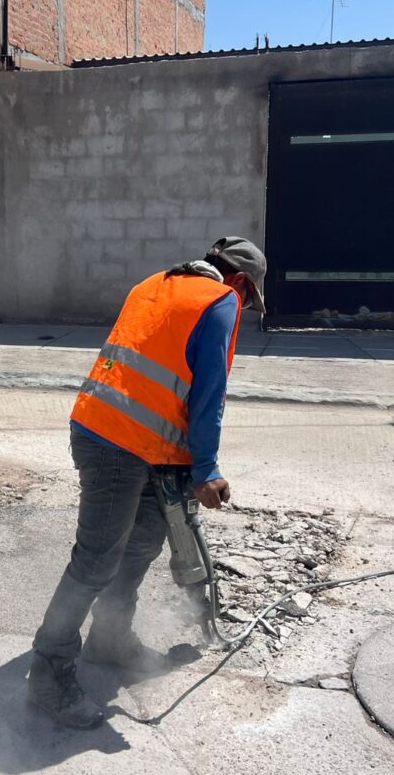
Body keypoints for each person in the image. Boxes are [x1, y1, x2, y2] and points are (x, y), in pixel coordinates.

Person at [28, 236, 267, 728]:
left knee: (140, 544)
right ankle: (49, 674)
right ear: (239, 281)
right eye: (248, 297)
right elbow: (208, 395)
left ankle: (110, 639)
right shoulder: (219, 300)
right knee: (95, 560)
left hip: (111, 432)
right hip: (119, 444)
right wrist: (207, 470)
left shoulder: (152, 283)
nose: (243, 306)